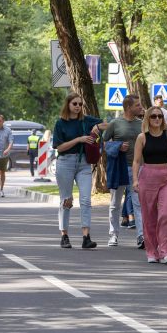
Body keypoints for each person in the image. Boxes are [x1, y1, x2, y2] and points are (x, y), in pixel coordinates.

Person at [52, 92, 106, 249]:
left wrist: (96, 127)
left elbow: (106, 125)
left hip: (83, 163)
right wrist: (79, 139)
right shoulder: (60, 123)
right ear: (68, 104)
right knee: (66, 200)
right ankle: (64, 235)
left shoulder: (86, 120)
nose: (77, 107)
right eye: (74, 104)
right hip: (65, 162)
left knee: (86, 200)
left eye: (80, 104)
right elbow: (59, 147)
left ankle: (86, 237)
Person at [132, 106, 167, 264]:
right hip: (147, 177)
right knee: (149, 217)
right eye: (153, 116)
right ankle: (152, 252)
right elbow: (136, 161)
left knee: (166, 214)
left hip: (165, 177)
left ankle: (166, 251)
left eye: (160, 116)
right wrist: (135, 180)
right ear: (148, 118)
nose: (157, 119)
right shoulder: (142, 137)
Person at [103, 94, 145, 249]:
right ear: (128, 107)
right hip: (119, 168)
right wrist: (118, 146)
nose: (140, 108)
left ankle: (141, 236)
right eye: (138, 105)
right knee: (115, 204)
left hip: (137, 168)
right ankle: (113, 234)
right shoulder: (115, 123)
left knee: (138, 203)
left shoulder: (141, 124)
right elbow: (105, 143)